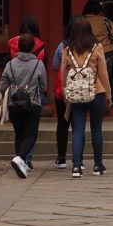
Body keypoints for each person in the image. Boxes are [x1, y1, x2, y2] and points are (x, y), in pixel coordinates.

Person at [60, 17, 112, 178]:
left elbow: (63, 74)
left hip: (76, 94)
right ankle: (98, 165)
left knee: (78, 130)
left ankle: (76, 166)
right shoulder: (97, 48)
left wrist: (65, 93)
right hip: (96, 92)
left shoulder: (67, 50)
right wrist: (109, 94)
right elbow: (103, 72)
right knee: (96, 129)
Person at [0, 33, 47, 179]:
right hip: (33, 102)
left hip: (14, 103)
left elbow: (2, 86)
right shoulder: (38, 64)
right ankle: (20, 158)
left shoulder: (10, 64)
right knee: (31, 134)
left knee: (19, 134)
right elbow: (44, 85)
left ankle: (21, 163)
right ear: (33, 47)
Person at [7, 16, 46, 170]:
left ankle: (20, 158)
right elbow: (43, 81)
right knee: (31, 131)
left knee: (19, 132)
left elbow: (5, 75)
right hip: (33, 94)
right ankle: (25, 159)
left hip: (14, 95)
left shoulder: (11, 46)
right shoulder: (41, 48)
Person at [51, 17, 76, 169]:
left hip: (64, 90)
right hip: (80, 89)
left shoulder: (62, 46)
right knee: (78, 125)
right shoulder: (88, 46)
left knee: (62, 123)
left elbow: (55, 65)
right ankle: (77, 158)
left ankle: (61, 157)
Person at [82, 0, 113, 100]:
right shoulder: (105, 20)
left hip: (87, 52)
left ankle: (90, 99)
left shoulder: (82, 21)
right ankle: (106, 100)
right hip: (107, 51)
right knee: (105, 78)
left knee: (90, 78)